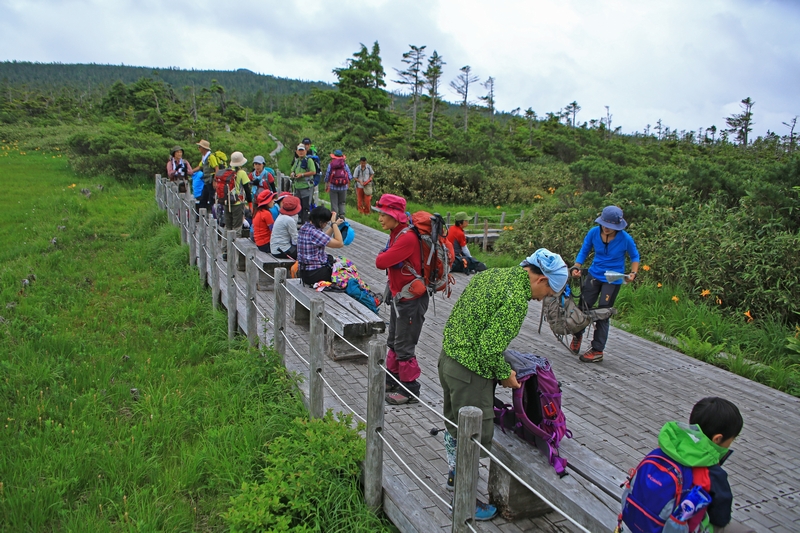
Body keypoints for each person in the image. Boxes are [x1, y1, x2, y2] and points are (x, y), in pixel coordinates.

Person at [438, 248, 568, 521]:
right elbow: (488, 348)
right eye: (549, 293)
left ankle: (454, 477)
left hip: (448, 360)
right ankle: (464, 501)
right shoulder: (516, 300)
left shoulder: (493, 275)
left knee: (455, 425)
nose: (543, 299)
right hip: (470, 373)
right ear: (541, 280)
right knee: (474, 437)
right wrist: (506, 374)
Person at [620, 397, 751, 533]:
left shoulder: (667, 448)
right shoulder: (713, 473)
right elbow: (720, 518)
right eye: (732, 439)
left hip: (637, 519)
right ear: (717, 439)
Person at [374, 194, 429, 406]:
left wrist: (385, 254)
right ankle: (393, 380)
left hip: (412, 300)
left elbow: (381, 261)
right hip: (401, 297)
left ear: (395, 217)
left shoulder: (406, 238)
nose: (380, 218)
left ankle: (410, 390)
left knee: (405, 345)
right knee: (394, 340)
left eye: (384, 214)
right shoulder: (395, 233)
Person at [570, 205, 640, 363]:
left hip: (614, 277)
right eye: (605, 225)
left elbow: (635, 257)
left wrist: (633, 273)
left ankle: (597, 350)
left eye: (611, 226)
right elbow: (584, 250)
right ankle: (577, 336)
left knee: (603, 312)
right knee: (583, 307)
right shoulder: (593, 232)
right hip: (594, 274)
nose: (607, 229)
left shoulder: (625, 238)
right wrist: (577, 267)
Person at [296, 206, 344, 286]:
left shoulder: (304, 227)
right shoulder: (314, 233)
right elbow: (339, 243)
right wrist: (334, 223)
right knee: (345, 268)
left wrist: (333, 226)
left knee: (332, 259)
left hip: (305, 273)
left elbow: (322, 238)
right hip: (315, 274)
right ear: (320, 222)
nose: (326, 224)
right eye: (326, 223)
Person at [222, 151, 251, 257]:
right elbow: (247, 190)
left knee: (228, 226)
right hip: (237, 203)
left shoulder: (227, 172)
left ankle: (225, 250)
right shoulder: (242, 173)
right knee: (237, 227)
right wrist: (250, 204)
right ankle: (234, 251)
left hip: (226, 202)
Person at [290, 144, 317, 224]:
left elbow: (313, 171)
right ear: (297, 152)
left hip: (306, 187)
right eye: (299, 151)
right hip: (297, 187)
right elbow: (292, 170)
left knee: (306, 205)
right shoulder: (297, 161)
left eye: (302, 150)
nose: (301, 152)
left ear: (306, 151)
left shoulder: (309, 160)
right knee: (299, 204)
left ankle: (305, 222)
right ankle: (300, 219)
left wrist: (302, 175)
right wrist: (292, 174)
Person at [324, 149, 352, 219]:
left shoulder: (330, 165)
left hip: (333, 187)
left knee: (334, 203)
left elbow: (327, 175)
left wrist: (326, 183)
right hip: (343, 187)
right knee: (342, 202)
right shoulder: (345, 165)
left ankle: (334, 217)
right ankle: (342, 215)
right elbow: (350, 176)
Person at [195, 140, 219, 213]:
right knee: (204, 198)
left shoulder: (211, 157)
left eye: (200, 147)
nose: (198, 148)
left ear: (203, 148)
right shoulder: (204, 157)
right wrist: (190, 171)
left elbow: (216, 168)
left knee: (211, 199)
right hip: (207, 181)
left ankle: (214, 215)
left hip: (211, 181)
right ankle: (202, 215)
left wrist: (215, 180)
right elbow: (199, 167)